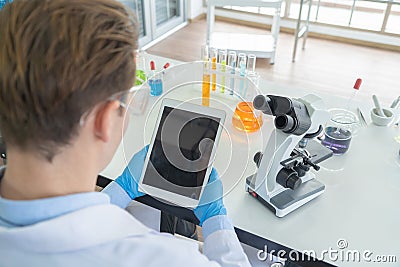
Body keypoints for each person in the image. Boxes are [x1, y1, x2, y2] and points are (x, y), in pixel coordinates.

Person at [0, 0, 251, 266]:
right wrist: (215, 218)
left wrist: (120, 190)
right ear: (105, 120)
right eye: (125, 103)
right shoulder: (162, 258)